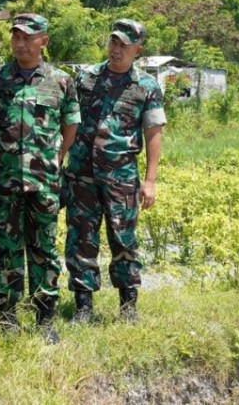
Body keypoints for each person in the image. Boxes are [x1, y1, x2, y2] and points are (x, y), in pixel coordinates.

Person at [0, 13, 80, 345]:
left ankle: (45, 316)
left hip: (44, 182)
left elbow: (71, 123)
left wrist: (56, 158)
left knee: (44, 249)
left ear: (43, 42)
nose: (20, 43)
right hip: (4, 181)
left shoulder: (61, 81)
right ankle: (7, 316)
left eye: (28, 37)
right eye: (16, 37)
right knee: (6, 249)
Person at [64, 19, 166, 324]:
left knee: (124, 240)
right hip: (82, 175)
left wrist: (150, 180)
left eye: (124, 44)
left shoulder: (146, 86)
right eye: (113, 42)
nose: (116, 49)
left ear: (138, 50)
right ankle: (83, 307)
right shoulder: (85, 78)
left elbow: (154, 133)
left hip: (121, 177)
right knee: (81, 238)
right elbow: (67, 120)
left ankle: (128, 307)